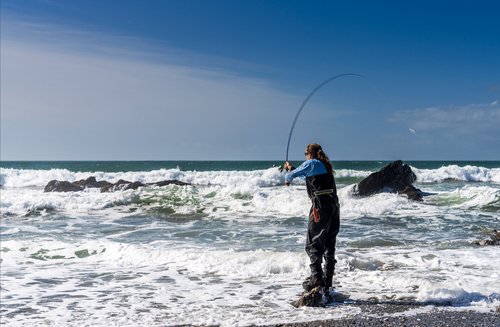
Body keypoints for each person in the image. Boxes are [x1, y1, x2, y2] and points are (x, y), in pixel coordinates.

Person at [284, 143, 340, 292]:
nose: (305, 157)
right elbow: (307, 174)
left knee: (313, 244)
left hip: (320, 208)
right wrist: (293, 168)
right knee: (329, 243)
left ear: (310, 154)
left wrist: (288, 173)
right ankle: (327, 281)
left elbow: (290, 176)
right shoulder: (324, 165)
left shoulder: (312, 162)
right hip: (334, 207)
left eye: (305, 153)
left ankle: (316, 278)